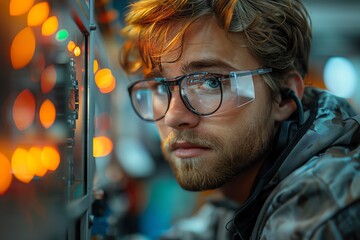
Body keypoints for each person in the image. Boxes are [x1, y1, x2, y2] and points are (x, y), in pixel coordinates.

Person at [119, 0, 360, 239]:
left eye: (210, 82)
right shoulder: (243, 190)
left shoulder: (324, 209)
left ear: (283, 97)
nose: (173, 117)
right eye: (161, 87)